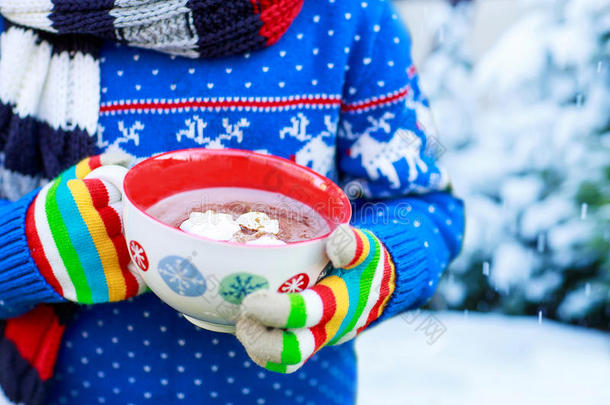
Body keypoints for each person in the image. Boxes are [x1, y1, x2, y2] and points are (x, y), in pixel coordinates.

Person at [0, 0, 464, 403]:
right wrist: (25, 247)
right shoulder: (18, 21)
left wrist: (376, 272)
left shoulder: (349, 17)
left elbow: (424, 205)